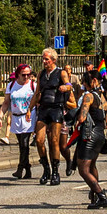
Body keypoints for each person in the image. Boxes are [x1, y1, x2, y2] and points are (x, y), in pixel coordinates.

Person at [71, 69, 107, 209]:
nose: (82, 83)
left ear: (93, 81)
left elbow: (82, 117)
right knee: (92, 165)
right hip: (100, 134)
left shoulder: (89, 96)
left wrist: (76, 119)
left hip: (90, 134)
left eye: (84, 81)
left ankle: (101, 196)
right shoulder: (104, 96)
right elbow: (106, 119)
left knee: (83, 169)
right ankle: (94, 194)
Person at [35, 48, 73, 187]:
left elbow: (69, 85)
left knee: (54, 140)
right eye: (43, 59)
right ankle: (46, 169)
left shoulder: (61, 73)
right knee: (39, 140)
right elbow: (37, 93)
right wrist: (29, 109)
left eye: (46, 59)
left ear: (53, 60)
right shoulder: (41, 74)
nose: (44, 61)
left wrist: (66, 88)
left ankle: (55, 172)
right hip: (44, 109)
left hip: (56, 108)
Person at [6, 65, 36, 180]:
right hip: (16, 117)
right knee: (22, 145)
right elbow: (6, 102)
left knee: (24, 143)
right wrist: (0, 116)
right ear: (18, 74)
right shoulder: (11, 85)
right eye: (24, 75)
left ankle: (20, 168)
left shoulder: (33, 85)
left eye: (28, 74)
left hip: (28, 116)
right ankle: (27, 169)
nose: (27, 77)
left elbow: (38, 100)